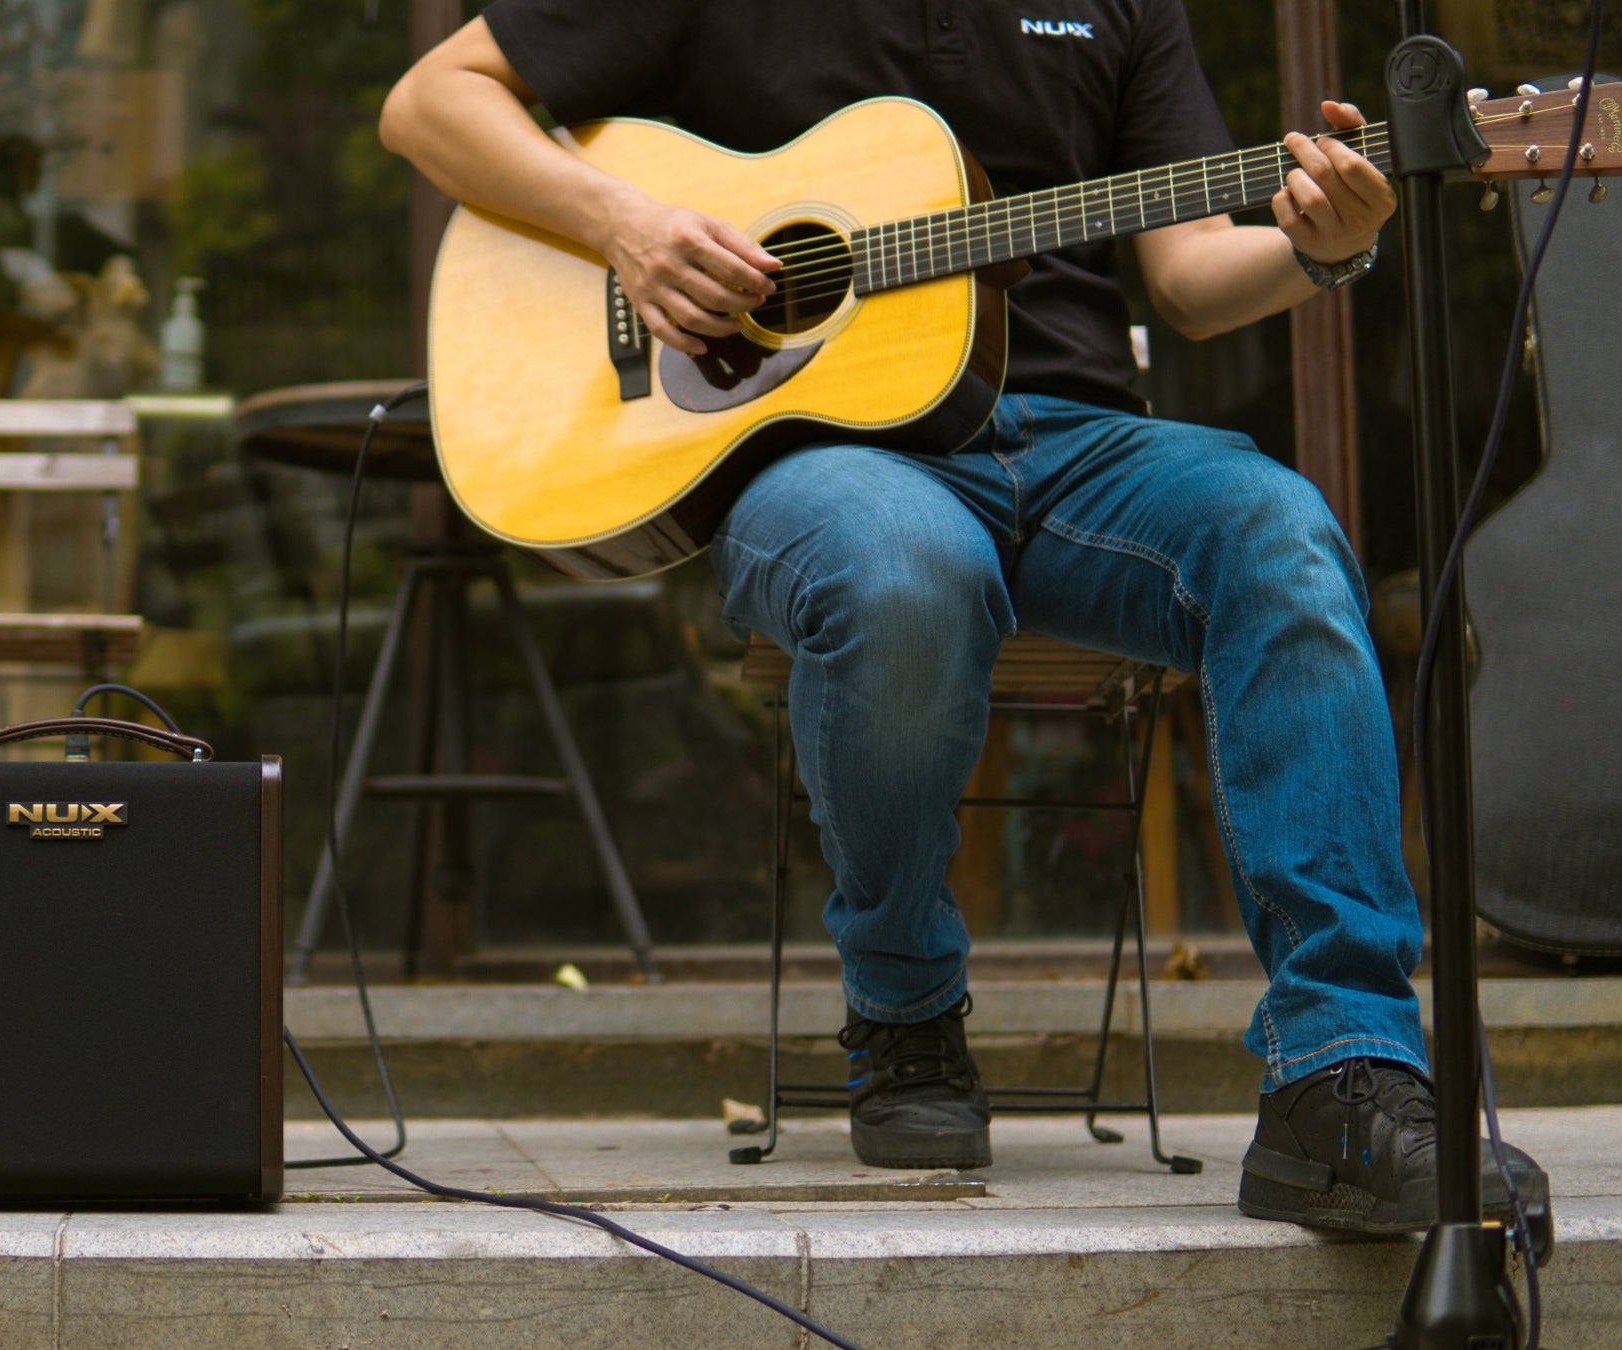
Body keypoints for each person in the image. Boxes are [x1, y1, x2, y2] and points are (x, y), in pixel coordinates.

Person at [378, 0, 1543, 1233]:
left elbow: (1193, 278)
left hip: (1078, 443)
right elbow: (430, 102)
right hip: (829, 454)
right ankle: (905, 1008)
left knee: (1279, 530)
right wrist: (629, 225)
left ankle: (1342, 1073)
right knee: (904, 571)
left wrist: (1324, 249)